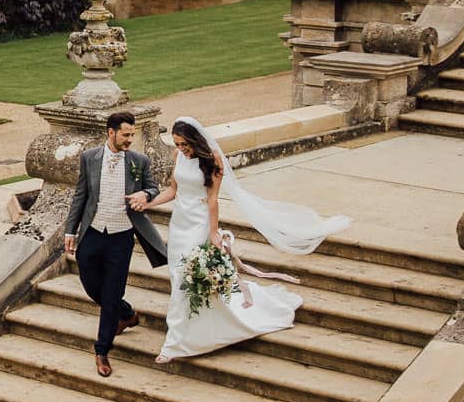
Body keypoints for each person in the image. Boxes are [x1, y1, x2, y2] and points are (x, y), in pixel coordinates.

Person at [140, 116, 348, 361]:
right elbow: (173, 191)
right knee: (177, 276)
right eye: (177, 144)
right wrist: (146, 202)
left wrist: (213, 232)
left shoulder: (212, 160)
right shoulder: (178, 157)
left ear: (196, 141)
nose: (182, 149)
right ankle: (196, 328)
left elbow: (212, 199)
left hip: (199, 224)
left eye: (185, 144)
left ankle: (175, 343)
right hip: (179, 224)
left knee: (188, 275)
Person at [62, 110, 167, 378]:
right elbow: (80, 195)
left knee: (110, 294)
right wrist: (69, 231)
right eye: (126, 134)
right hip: (93, 232)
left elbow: (153, 188)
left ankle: (102, 351)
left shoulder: (139, 160)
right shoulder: (90, 158)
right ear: (111, 132)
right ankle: (127, 314)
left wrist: (145, 193)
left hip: (121, 237)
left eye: (133, 134)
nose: (131, 138)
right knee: (90, 285)